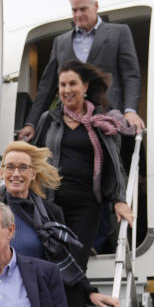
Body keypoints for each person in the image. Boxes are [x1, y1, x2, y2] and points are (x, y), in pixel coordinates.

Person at [0, 140, 120, 307]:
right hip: (0, 306)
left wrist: (90, 292)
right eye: (10, 167)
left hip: (41, 304)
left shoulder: (50, 213)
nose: (16, 173)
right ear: (2, 173)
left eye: (23, 167)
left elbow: (64, 260)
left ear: (33, 173)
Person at [31, 61, 134, 267]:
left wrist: (119, 200)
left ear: (85, 86)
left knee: (76, 265)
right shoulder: (49, 119)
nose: (66, 90)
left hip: (86, 205)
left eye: (72, 84)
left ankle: (75, 299)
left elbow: (116, 166)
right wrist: (3, 189)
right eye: (62, 85)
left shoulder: (101, 122)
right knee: (54, 264)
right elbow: (31, 157)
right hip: (52, 203)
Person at [18, 0, 144, 141]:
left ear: (96, 6)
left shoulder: (119, 32)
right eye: (74, 10)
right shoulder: (60, 42)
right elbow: (47, 87)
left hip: (108, 116)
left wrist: (130, 110)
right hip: (70, 120)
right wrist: (32, 123)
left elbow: (130, 76)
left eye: (83, 9)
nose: (78, 14)